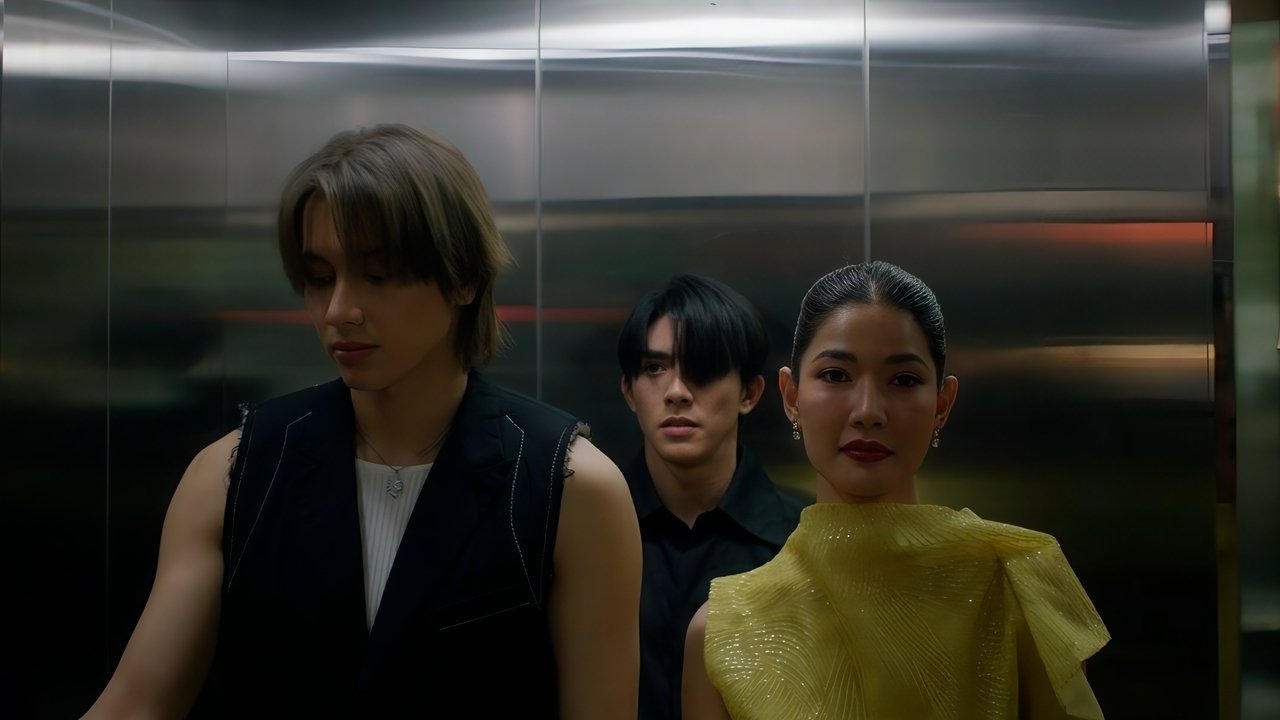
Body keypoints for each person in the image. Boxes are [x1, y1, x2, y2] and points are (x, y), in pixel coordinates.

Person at [84, 124, 641, 719]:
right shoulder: (234, 473)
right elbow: (136, 705)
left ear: (464, 278)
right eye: (319, 277)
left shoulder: (568, 487)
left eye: (378, 275)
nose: (339, 311)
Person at [682, 261, 1110, 719]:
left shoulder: (1016, 590)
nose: (868, 411)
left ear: (942, 404)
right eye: (835, 375)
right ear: (791, 396)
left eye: (904, 380)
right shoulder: (723, 631)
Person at [617, 275, 805, 720]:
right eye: (654, 369)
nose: (676, 392)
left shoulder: (802, 541)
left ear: (749, 393)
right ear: (629, 391)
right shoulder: (582, 536)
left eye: (703, 367)